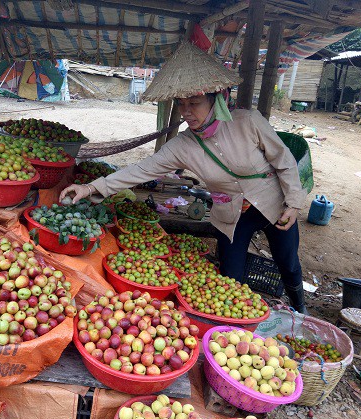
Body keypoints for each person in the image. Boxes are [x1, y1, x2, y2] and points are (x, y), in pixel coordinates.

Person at [60, 43, 309, 314]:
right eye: (181, 104)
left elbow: (283, 160)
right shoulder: (183, 145)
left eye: (194, 103)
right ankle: (232, 324)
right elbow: (140, 170)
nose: (186, 111)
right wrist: (90, 188)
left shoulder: (247, 122)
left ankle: (300, 307)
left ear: (216, 99)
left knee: (288, 262)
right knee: (230, 275)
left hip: (273, 201)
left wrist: (293, 203)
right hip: (232, 213)